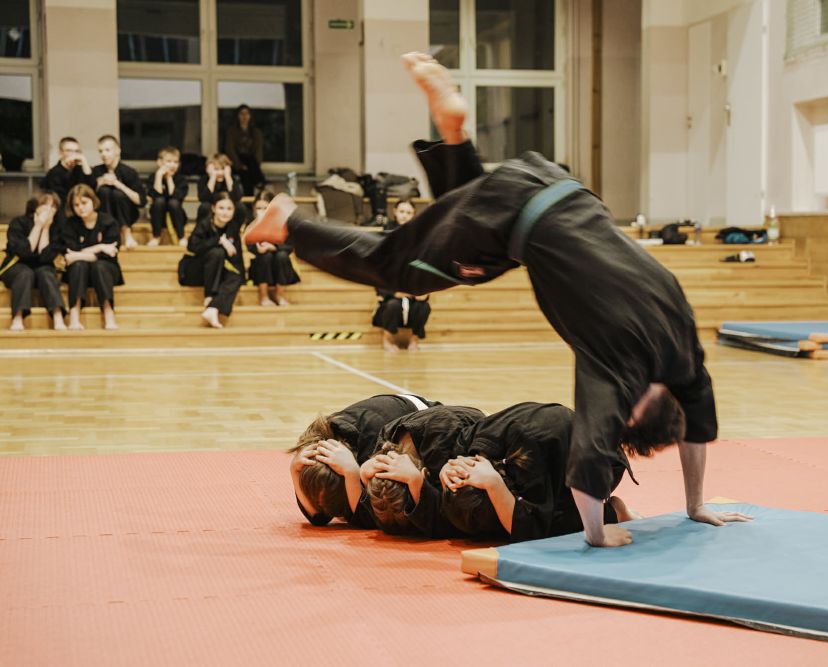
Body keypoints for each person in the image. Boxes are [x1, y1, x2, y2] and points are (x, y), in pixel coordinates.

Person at [247, 52, 752, 547]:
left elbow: (698, 429)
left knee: (465, 234)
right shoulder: (617, 369)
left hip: (557, 186)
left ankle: (454, 136)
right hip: (513, 218)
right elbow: (587, 471)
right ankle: (289, 224)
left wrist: (695, 505)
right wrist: (598, 536)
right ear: (634, 414)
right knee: (401, 269)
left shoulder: (684, 351)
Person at [439, 402, 642, 542]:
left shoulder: (529, 459)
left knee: (551, 530)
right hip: (553, 453)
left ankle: (615, 511)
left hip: (600, 469)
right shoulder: (473, 444)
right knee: (479, 516)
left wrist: (494, 484)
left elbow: (530, 531)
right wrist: (447, 468)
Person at [289, 393, 439, 528]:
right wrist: (294, 470)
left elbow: (368, 518)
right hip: (388, 411)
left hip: (427, 419)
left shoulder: (375, 443)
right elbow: (318, 518)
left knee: (393, 505)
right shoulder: (312, 454)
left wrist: (351, 472)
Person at [361, 404, 484, 537]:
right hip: (435, 420)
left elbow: (447, 525)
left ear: (425, 474)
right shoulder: (384, 442)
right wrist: (363, 476)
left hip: (471, 424)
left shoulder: (441, 452)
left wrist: (415, 481)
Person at [1, 193, 68, 331]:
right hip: (16, 266)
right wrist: (38, 226)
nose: (49, 209)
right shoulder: (18, 222)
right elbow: (24, 252)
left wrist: (46, 228)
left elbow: (45, 256)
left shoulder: (57, 228)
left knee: (46, 273)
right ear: (36, 207)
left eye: (53, 206)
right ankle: (17, 318)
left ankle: (58, 317)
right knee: (25, 273)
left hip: (42, 268)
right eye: (45, 205)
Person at [178, 191, 244, 329]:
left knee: (236, 276)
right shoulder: (204, 224)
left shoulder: (233, 228)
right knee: (217, 252)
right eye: (221, 208)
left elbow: (236, 258)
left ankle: (213, 308)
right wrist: (218, 241)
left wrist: (241, 275)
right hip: (196, 271)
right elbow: (192, 247)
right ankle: (209, 295)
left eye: (229, 209)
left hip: (217, 272)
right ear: (213, 208)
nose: (225, 212)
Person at [61, 184, 122, 331]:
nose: (80, 208)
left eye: (84, 203)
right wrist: (100, 247)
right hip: (78, 272)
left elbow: (110, 254)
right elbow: (70, 253)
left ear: (93, 201)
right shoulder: (70, 224)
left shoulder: (109, 222)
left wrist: (78, 255)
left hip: (106, 270)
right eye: (76, 205)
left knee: (99, 266)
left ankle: (109, 314)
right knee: (79, 265)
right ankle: (74, 316)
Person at [372, 200, 430, 352]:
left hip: (413, 290)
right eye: (402, 212)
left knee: (423, 307)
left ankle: (414, 340)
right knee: (392, 305)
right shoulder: (386, 236)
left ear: (414, 215)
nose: (405, 216)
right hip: (392, 291)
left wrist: (424, 291)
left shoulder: (420, 237)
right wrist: (393, 293)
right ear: (395, 212)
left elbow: (424, 267)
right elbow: (380, 269)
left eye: (409, 213)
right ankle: (387, 339)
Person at [93, 135, 147, 250]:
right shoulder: (96, 171)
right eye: (101, 151)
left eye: (107, 150)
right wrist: (99, 183)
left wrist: (117, 184)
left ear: (117, 151)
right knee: (104, 191)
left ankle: (127, 234)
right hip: (103, 213)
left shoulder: (129, 172)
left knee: (118, 194)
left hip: (127, 212)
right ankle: (107, 234)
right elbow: (89, 198)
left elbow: (141, 201)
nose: (104, 154)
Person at [247, 191, 299, 306]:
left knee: (281, 256)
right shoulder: (251, 223)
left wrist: (274, 247)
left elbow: (289, 246)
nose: (262, 211)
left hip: (281, 264)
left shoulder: (283, 222)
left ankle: (279, 296)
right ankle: (264, 296)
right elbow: (250, 246)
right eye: (258, 208)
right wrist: (258, 224)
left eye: (265, 208)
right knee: (265, 256)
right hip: (262, 265)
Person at [40, 137, 95, 220]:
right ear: (61, 153)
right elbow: (60, 198)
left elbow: (92, 189)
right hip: (63, 211)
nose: (74, 154)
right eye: (69, 151)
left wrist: (84, 161)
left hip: (82, 208)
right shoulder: (54, 173)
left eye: (77, 151)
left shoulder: (80, 169)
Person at [146, 146, 189, 247]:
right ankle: (156, 236)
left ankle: (181, 237)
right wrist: (159, 176)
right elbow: (156, 195)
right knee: (159, 201)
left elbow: (175, 196)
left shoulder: (181, 179)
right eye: (169, 161)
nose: (172, 165)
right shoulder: (152, 177)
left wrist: (169, 178)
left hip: (177, 217)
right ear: (159, 162)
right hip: (158, 217)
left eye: (175, 162)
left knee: (173, 202)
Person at [224, 104, 266, 195]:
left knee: (248, 172)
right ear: (237, 116)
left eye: (247, 114)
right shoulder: (231, 131)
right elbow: (230, 150)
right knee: (245, 172)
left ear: (250, 116)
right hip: (237, 163)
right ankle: (259, 181)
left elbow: (259, 150)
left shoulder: (256, 132)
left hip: (252, 163)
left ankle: (249, 201)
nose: (244, 116)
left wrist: (256, 164)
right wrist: (239, 165)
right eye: (242, 114)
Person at [196, 154, 244, 225]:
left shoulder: (232, 179)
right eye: (216, 169)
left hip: (228, 209)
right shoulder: (203, 180)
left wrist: (228, 177)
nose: (220, 173)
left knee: (240, 207)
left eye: (223, 169)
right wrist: (212, 178)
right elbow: (203, 198)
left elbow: (237, 198)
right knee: (205, 207)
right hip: (212, 210)